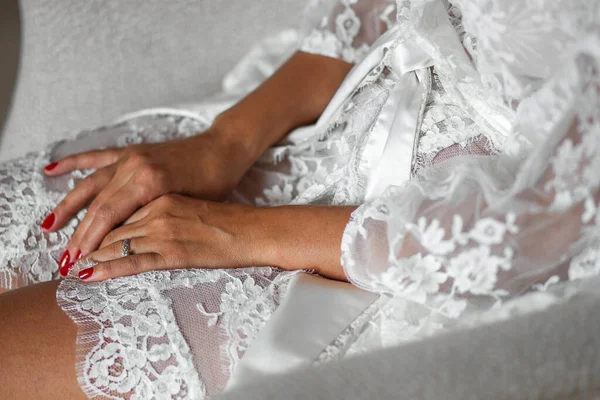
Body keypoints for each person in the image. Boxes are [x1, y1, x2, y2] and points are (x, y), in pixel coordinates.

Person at [1, 0, 599, 398]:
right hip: (327, 123)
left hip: (417, 254)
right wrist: (225, 141)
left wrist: (240, 232)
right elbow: (373, 13)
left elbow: (550, 227)